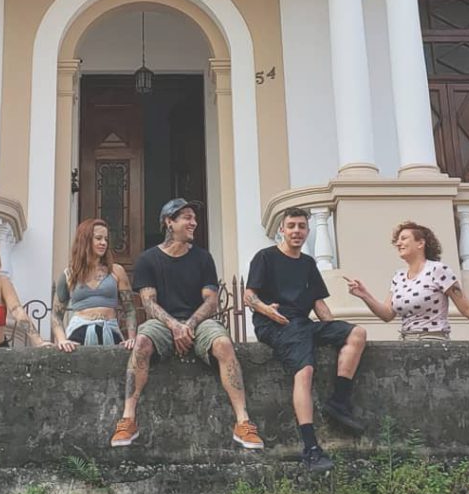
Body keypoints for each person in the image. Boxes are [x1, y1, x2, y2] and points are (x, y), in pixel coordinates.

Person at [109, 198, 264, 450]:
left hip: (198, 322)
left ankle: (243, 422)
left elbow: (211, 301)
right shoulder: (148, 259)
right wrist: (174, 326)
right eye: (187, 218)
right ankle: (128, 419)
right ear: (169, 222)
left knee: (224, 344)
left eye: (194, 218)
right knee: (142, 342)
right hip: (162, 323)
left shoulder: (203, 258)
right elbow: (148, 303)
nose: (194, 223)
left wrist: (188, 325)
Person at [245, 207, 367, 473]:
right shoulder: (265, 257)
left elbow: (318, 303)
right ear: (282, 229)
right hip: (275, 324)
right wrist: (267, 310)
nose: (296, 231)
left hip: (302, 324)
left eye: (301, 226)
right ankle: (311, 448)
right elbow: (249, 296)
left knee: (357, 333)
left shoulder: (308, 263)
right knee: (305, 369)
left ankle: (339, 401)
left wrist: (333, 328)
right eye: (291, 226)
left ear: (308, 231)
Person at [345, 220, 469, 344]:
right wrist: (365, 295)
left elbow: (467, 308)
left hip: (433, 342)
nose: (398, 244)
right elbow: (387, 314)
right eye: (397, 240)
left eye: (404, 238)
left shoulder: (438, 270)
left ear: (420, 243)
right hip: (406, 342)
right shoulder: (398, 276)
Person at [51, 218, 138, 350]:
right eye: (98, 238)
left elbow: (130, 309)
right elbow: (56, 315)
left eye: (106, 239)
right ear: (85, 240)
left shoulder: (116, 271)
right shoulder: (69, 274)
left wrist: (132, 338)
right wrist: (62, 340)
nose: (103, 243)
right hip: (78, 332)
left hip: (110, 330)